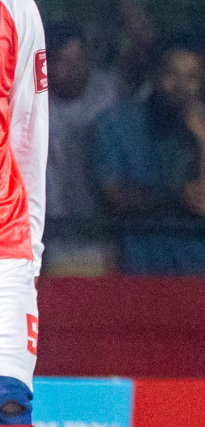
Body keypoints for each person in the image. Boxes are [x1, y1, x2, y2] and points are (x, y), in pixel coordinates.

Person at [92, 43, 205, 275]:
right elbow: (113, 195)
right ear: (154, 74)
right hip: (144, 269)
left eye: (191, 78)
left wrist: (202, 137)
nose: (181, 86)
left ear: (202, 83)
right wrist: (175, 198)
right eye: (172, 74)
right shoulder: (113, 124)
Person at [0, 0, 49, 427]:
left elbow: (29, 137)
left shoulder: (17, 9)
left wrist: (29, 248)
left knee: (9, 400)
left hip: (4, 241)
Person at [42, 19, 117, 274]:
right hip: (48, 241)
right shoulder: (27, 100)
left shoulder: (111, 91)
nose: (74, 68)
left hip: (103, 239)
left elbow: (147, 45)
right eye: (63, 60)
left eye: (78, 58)